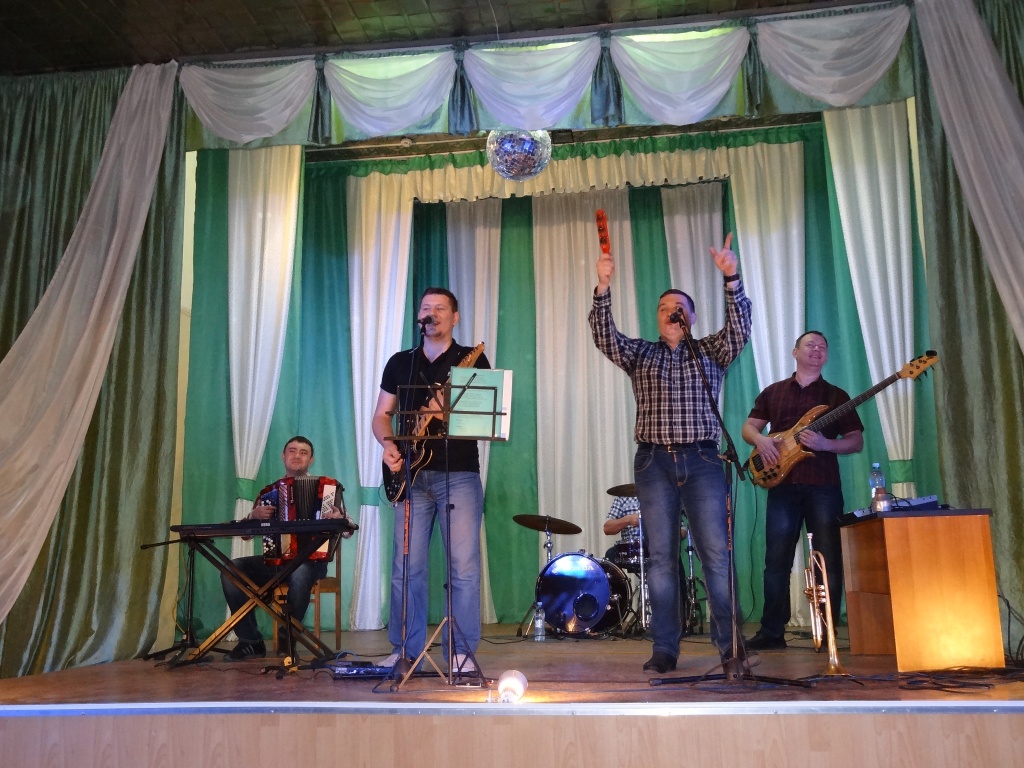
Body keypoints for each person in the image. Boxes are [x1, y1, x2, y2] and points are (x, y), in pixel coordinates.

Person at [590, 234, 752, 673]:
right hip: (654, 463)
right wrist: (603, 287)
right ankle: (664, 648)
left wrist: (731, 278)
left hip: (703, 461)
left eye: (678, 307)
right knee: (660, 557)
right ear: (657, 318)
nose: (670, 312)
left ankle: (730, 647)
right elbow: (605, 337)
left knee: (716, 555)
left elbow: (740, 329)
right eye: (663, 308)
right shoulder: (641, 353)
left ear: (692, 317)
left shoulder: (711, 351)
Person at [372, 287, 490, 674]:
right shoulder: (401, 362)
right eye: (426, 308)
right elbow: (381, 415)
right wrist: (389, 445)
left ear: (455, 318)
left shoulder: (473, 359)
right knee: (406, 567)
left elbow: (482, 417)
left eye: (440, 308)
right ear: (419, 317)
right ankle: (405, 651)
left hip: (459, 473)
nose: (432, 313)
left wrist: (447, 411)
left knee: (463, 568)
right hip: (410, 476)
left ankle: (461, 653)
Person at [740, 331, 864, 651]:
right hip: (781, 487)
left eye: (823, 347)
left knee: (828, 558)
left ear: (827, 356)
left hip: (824, 487)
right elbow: (749, 428)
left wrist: (826, 444)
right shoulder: (774, 392)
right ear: (795, 352)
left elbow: (856, 441)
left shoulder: (837, 396)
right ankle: (771, 632)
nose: (817, 350)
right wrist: (762, 441)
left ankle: (827, 632)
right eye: (810, 345)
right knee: (776, 560)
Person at [222, 436, 353, 661]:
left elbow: (349, 530)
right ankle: (250, 642)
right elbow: (245, 535)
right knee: (231, 569)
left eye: (303, 452)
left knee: (300, 570)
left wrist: (340, 518)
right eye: (292, 451)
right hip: (276, 562)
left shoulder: (328, 489)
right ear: (283, 456)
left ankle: (287, 636)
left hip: (312, 563)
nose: (297, 456)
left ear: (311, 460)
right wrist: (253, 516)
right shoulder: (268, 493)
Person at [603, 495, 692, 632]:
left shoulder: (663, 495)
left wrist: (665, 529)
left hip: (658, 547)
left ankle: (679, 621)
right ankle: (613, 616)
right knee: (610, 556)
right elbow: (607, 528)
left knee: (674, 559)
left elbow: (683, 531)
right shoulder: (623, 498)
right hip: (631, 549)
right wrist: (628, 520)